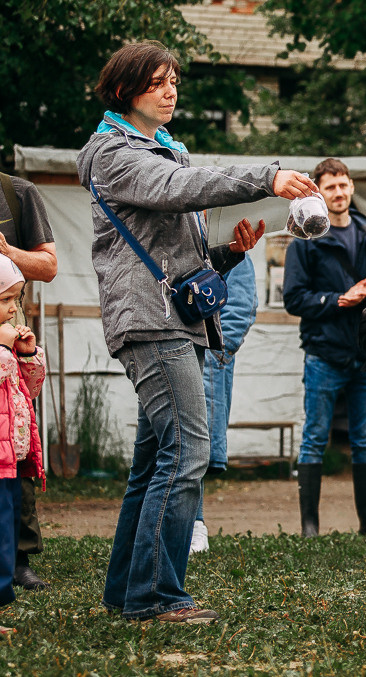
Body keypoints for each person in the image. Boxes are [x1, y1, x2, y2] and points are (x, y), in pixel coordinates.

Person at [77, 40, 317, 623]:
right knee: (188, 452)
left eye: (174, 80)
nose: (170, 90)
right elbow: (184, 188)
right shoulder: (113, 153)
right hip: (152, 325)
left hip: (171, 318)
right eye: (157, 81)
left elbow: (166, 243)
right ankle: (157, 597)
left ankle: (126, 591)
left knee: (155, 460)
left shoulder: (161, 149)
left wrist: (225, 255)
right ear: (122, 90)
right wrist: (270, 175)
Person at [284, 158, 366, 538]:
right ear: (318, 191)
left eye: (343, 185)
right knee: (315, 437)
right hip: (324, 354)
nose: (339, 193)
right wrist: (337, 300)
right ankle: (310, 525)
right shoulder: (305, 239)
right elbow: (294, 298)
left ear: (352, 188)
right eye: (330, 187)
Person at [0, 171, 57, 591]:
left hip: (7, 327)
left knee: (13, 439)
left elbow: (49, 266)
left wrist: (7, 253)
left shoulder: (17, 194)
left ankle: (18, 556)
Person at [190, 256, 257, 554]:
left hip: (205, 359)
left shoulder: (228, 240)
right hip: (165, 355)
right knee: (166, 443)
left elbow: (241, 304)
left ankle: (195, 524)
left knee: (194, 444)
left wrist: (216, 351)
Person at [0, 256, 45, 634]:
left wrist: (26, 355)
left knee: (6, 524)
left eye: (15, 298)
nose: (12, 308)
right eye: (3, 300)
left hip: (10, 456)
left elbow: (30, 390)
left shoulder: (12, 338)